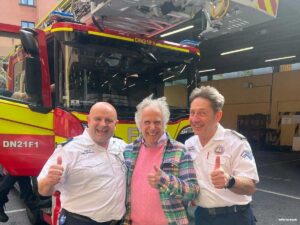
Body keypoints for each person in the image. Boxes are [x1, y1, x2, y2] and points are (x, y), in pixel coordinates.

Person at [38, 102, 126, 225]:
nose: (103, 124)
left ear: (115, 124)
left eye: (108, 120)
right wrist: (49, 181)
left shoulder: (121, 146)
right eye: (98, 119)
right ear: (88, 120)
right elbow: (43, 190)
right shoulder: (68, 150)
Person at [185, 86, 259, 225]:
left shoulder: (236, 142)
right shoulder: (189, 144)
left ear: (217, 116)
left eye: (202, 113)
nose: (194, 119)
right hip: (202, 216)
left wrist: (229, 181)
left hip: (234, 217)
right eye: (192, 112)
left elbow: (250, 187)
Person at [122, 95, 200, 225]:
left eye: (157, 122)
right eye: (147, 122)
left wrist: (167, 181)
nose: (152, 127)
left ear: (165, 124)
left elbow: (193, 192)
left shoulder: (180, 150)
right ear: (139, 125)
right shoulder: (128, 151)